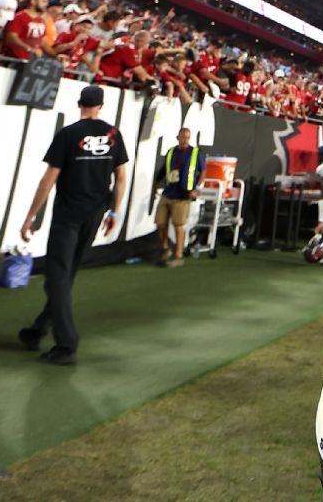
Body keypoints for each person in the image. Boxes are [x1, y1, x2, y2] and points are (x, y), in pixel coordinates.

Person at [18, 85, 129, 365]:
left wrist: (31, 215)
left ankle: (67, 345)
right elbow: (121, 177)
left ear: (80, 104)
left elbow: (49, 179)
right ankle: (37, 331)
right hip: (94, 214)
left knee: (57, 276)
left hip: (68, 214)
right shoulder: (113, 135)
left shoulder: (68, 134)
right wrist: (115, 213)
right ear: (101, 106)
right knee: (66, 276)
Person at [154, 127, 204, 268]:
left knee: (179, 225)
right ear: (178, 137)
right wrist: (155, 184)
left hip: (184, 193)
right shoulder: (171, 152)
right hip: (169, 191)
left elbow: (203, 172)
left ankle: (178, 255)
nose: (185, 140)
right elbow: (164, 169)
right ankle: (165, 248)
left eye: (187, 137)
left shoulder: (195, 153)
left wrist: (196, 189)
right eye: (182, 137)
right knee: (160, 222)